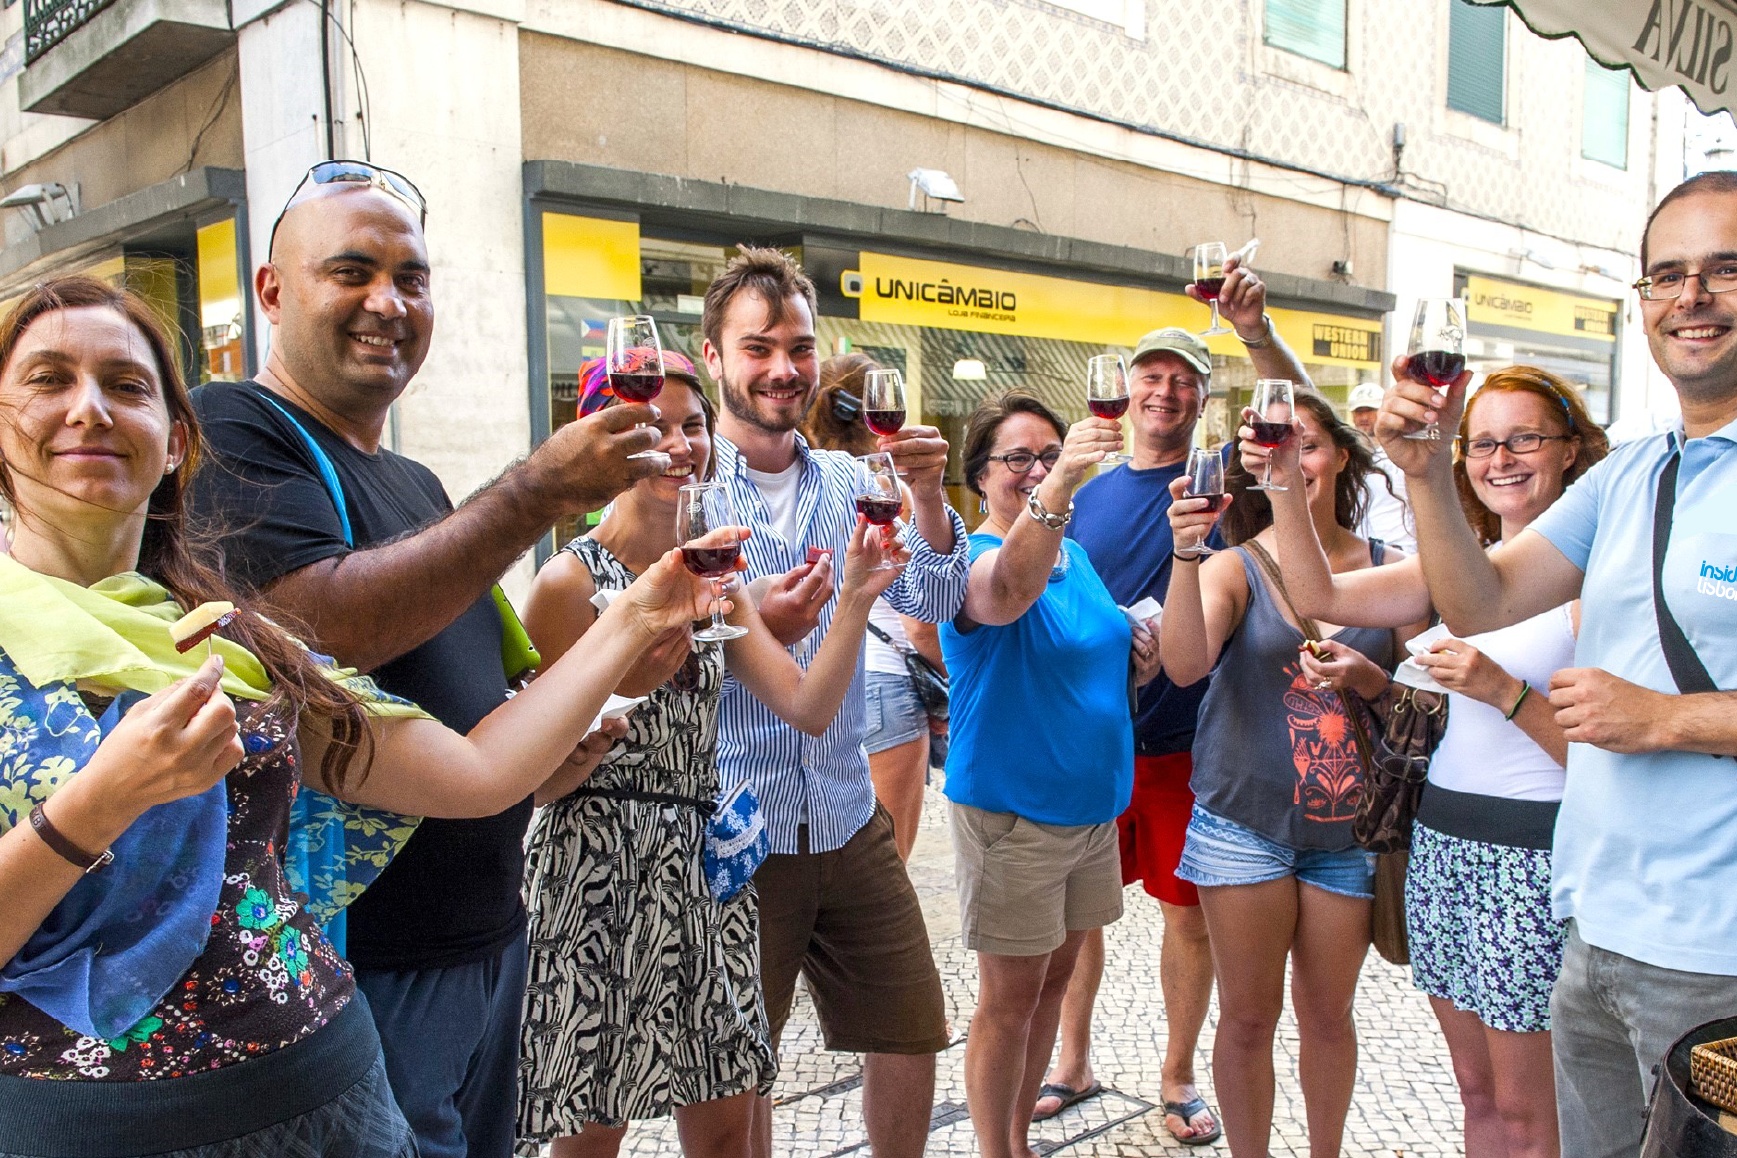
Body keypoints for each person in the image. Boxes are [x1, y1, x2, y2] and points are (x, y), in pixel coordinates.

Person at [0, 276, 723, 1155]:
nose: (89, 409)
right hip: (90, 1128)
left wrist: (644, 614)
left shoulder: (222, 634)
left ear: (175, 441)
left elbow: (475, 775)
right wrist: (96, 803)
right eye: (48, 379)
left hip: (323, 1093)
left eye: (126, 385)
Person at [183, 162, 671, 1158]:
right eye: (352, 271)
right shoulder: (234, 427)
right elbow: (322, 632)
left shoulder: (408, 477)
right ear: (273, 291)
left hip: (487, 938)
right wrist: (535, 494)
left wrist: (555, 751)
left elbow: (467, 706)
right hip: (365, 963)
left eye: (412, 277)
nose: (388, 303)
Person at [1377, 172, 1737, 1158]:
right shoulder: (1636, 469)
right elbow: (1479, 598)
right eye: (1668, 275)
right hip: (1592, 923)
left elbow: (1651, 712)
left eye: (1724, 269)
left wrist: (1669, 720)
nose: (1692, 297)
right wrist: (1424, 472)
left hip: (1715, 951)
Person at [513, 355, 907, 1156]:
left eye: (691, 424)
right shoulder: (566, 582)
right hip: (594, 871)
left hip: (701, 870)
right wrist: (594, 734)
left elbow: (805, 706)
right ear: (602, 439)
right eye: (650, 424)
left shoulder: (716, 578)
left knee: (727, 1126)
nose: (678, 442)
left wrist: (859, 594)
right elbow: (535, 780)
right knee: (591, 1133)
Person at [1268, 367, 1609, 1158]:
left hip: (1536, 858)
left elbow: (1602, 757)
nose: (1500, 458)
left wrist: (1496, 687)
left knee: (1532, 1112)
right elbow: (1318, 593)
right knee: (1474, 1088)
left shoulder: (1594, 578)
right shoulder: (1468, 567)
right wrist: (1285, 483)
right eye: (1483, 442)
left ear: (1570, 451)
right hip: (1443, 849)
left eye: (1523, 438)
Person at [697, 247, 970, 1158]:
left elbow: (933, 599)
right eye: (758, 347)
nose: (783, 368)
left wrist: (929, 498)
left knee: (910, 1029)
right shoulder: (689, 499)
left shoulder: (859, 483)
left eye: (799, 347)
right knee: (741, 1065)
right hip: (738, 824)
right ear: (713, 357)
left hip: (848, 814)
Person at [1041, 254, 1307, 1144]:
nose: (1161, 392)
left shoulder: (1221, 482)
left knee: (1185, 917)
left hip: (1191, 744)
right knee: (1076, 918)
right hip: (1089, 737)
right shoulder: (1085, 490)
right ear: (1126, 388)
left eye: (1180, 380)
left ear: (1200, 398)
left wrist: (1254, 334)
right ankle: (1070, 1059)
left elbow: (1297, 417)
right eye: (1148, 376)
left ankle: (1176, 1074)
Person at [1162, 388, 1414, 1158]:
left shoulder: (1393, 572)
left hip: (1349, 833)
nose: (1289, 461)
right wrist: (1183, 556)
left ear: (1339, 453)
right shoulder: (1237, 567)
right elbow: (1183, 664)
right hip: (1245, 824)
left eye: (1303, 444)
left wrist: (1370, 679)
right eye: (1271, 447)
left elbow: (1429, 704)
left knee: (1329, 1017)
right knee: (1245, 1017)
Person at [940, 392, 1159, 1158]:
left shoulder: (1081, 557)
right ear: (979, 477)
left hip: (1090, 809)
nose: (1034, 470)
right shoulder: (967, 562)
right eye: (1017, 459)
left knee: (1050, 988)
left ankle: (1016, 1142)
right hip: (1014, 811)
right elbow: (1010, 594)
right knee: (1007, 1002)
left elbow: (1084, 655)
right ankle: (994, 1150)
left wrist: (1138, 658)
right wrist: (1058, 486)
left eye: (1047, 454)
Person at [801, 353, 947, 861]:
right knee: (887, 865)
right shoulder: (886, 490)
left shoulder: (807, 483)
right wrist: (946, 685)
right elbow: (921, 622)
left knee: (831, 855)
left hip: (815, 683)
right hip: (885, 680)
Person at [1348, 381, 1416, 554]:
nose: (1364, 417)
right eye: (1359, 411)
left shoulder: (1404, 452)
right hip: (1365, 553)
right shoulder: (1349, 458)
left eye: (1370, 410)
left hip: (1401, 550)